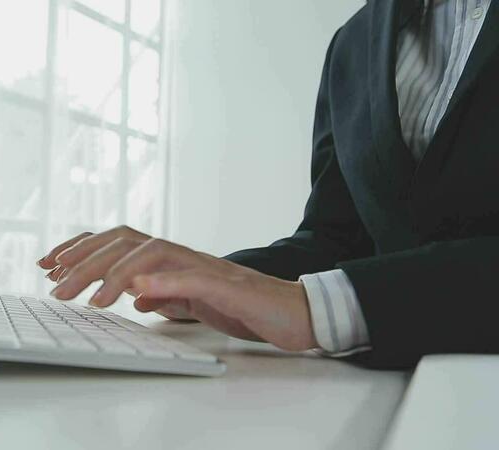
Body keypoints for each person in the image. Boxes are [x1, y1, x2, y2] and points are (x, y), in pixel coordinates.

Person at [37, 0, 499, 370]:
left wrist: (315, 309)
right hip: (388, 390)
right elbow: (337, 238)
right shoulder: (354, 42)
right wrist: (208, 280)